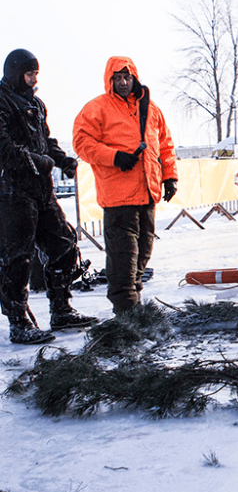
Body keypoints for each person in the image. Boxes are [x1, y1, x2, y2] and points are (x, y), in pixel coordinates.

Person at [0, 49, 98, 344]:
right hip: (13, 192)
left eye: (35, 74)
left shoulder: (36, 104)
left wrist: (62, 159)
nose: (33, 79)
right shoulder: (2, 101)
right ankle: (19, 321)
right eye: (29, 74)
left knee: (65, 245)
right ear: (16, 72)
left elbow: (45, 141)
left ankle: (61, 308)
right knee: (17, 259)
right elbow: (3, 147)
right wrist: (34, 160)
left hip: (42, 191)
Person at [73, 57, 178, 314]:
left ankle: (134, 310)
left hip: (147, 196)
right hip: (119, 199)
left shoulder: (151, 110)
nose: (122, 82)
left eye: (126, 77)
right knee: (123, 262)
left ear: (134, 78)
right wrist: (115, 157)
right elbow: (82, 142)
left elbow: (165, 146)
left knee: (141, 257)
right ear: (109, 80)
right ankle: (127, 315)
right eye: (117, 78)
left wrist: (170, 176)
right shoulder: (97, 108)